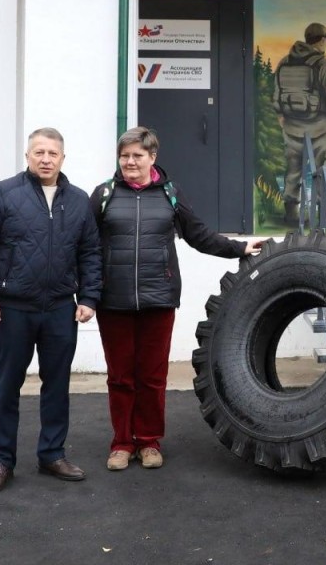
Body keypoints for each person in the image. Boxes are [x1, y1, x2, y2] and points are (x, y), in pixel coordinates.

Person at [89, 127, 264, 471]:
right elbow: (85, 244)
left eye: (137, 155)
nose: (130, 162)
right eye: (124, 156)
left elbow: (198, 235)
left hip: (159, 299)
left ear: (153, 157)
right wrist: (87, 292)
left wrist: (239, 248)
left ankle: (150, 441)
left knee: (152, 377)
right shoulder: (104, 194)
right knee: (120, 376)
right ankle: (122, 443)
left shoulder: (170, 193)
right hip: (113, 301)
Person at [0, 127, 102, 497]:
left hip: (60, 308)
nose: (45, 159)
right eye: (38, 152)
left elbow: (90, 251)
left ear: (62, 158)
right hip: (12, 309)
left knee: (56, 385)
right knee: (6, 386)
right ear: (27, 156)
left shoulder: (77, 201)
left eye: (52, 153)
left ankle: (52, 454)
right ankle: (1, 462)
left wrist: (89, 297)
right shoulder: (2, 194)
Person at [272, 21, 326, 226]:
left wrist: (282, 116)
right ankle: (325, 214)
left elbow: (276, 94)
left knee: (293, 169)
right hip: (321, 127)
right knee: (325, 169)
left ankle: (291, 213)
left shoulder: (284, 62)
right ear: (322, 40)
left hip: (291, 126)